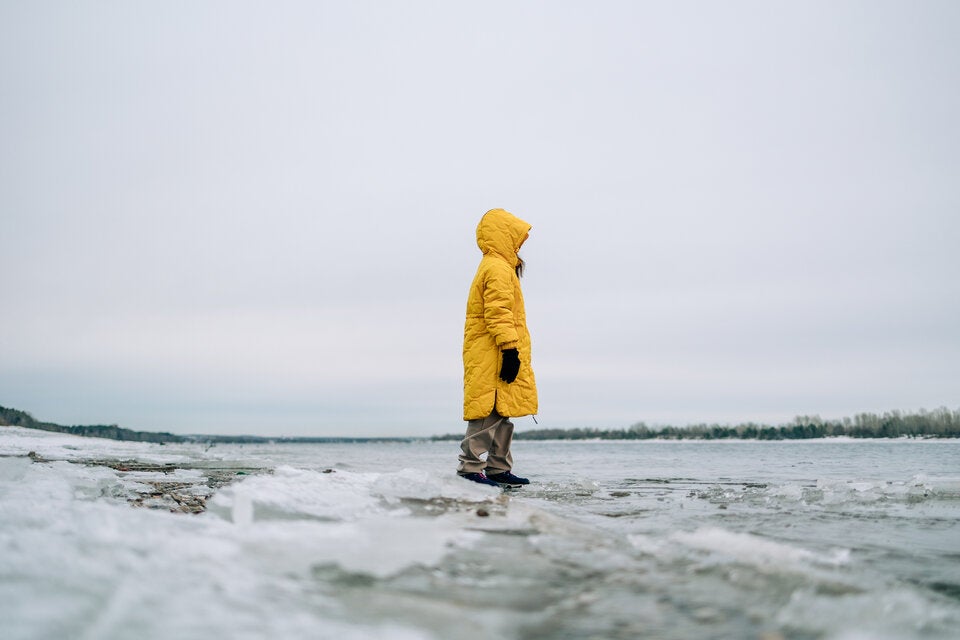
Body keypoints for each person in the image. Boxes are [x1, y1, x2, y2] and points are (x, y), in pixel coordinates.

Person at [458, 208, 538, 487]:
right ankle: (470, 467)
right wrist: (509, 349)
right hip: (492, 350)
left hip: (497, 348)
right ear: (505, 236)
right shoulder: (496, 268)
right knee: (486, 411)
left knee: (502, 412)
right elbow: (498, 312)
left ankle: (498, 468)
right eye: (517, 237)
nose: (520, 243)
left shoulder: (502, 267)